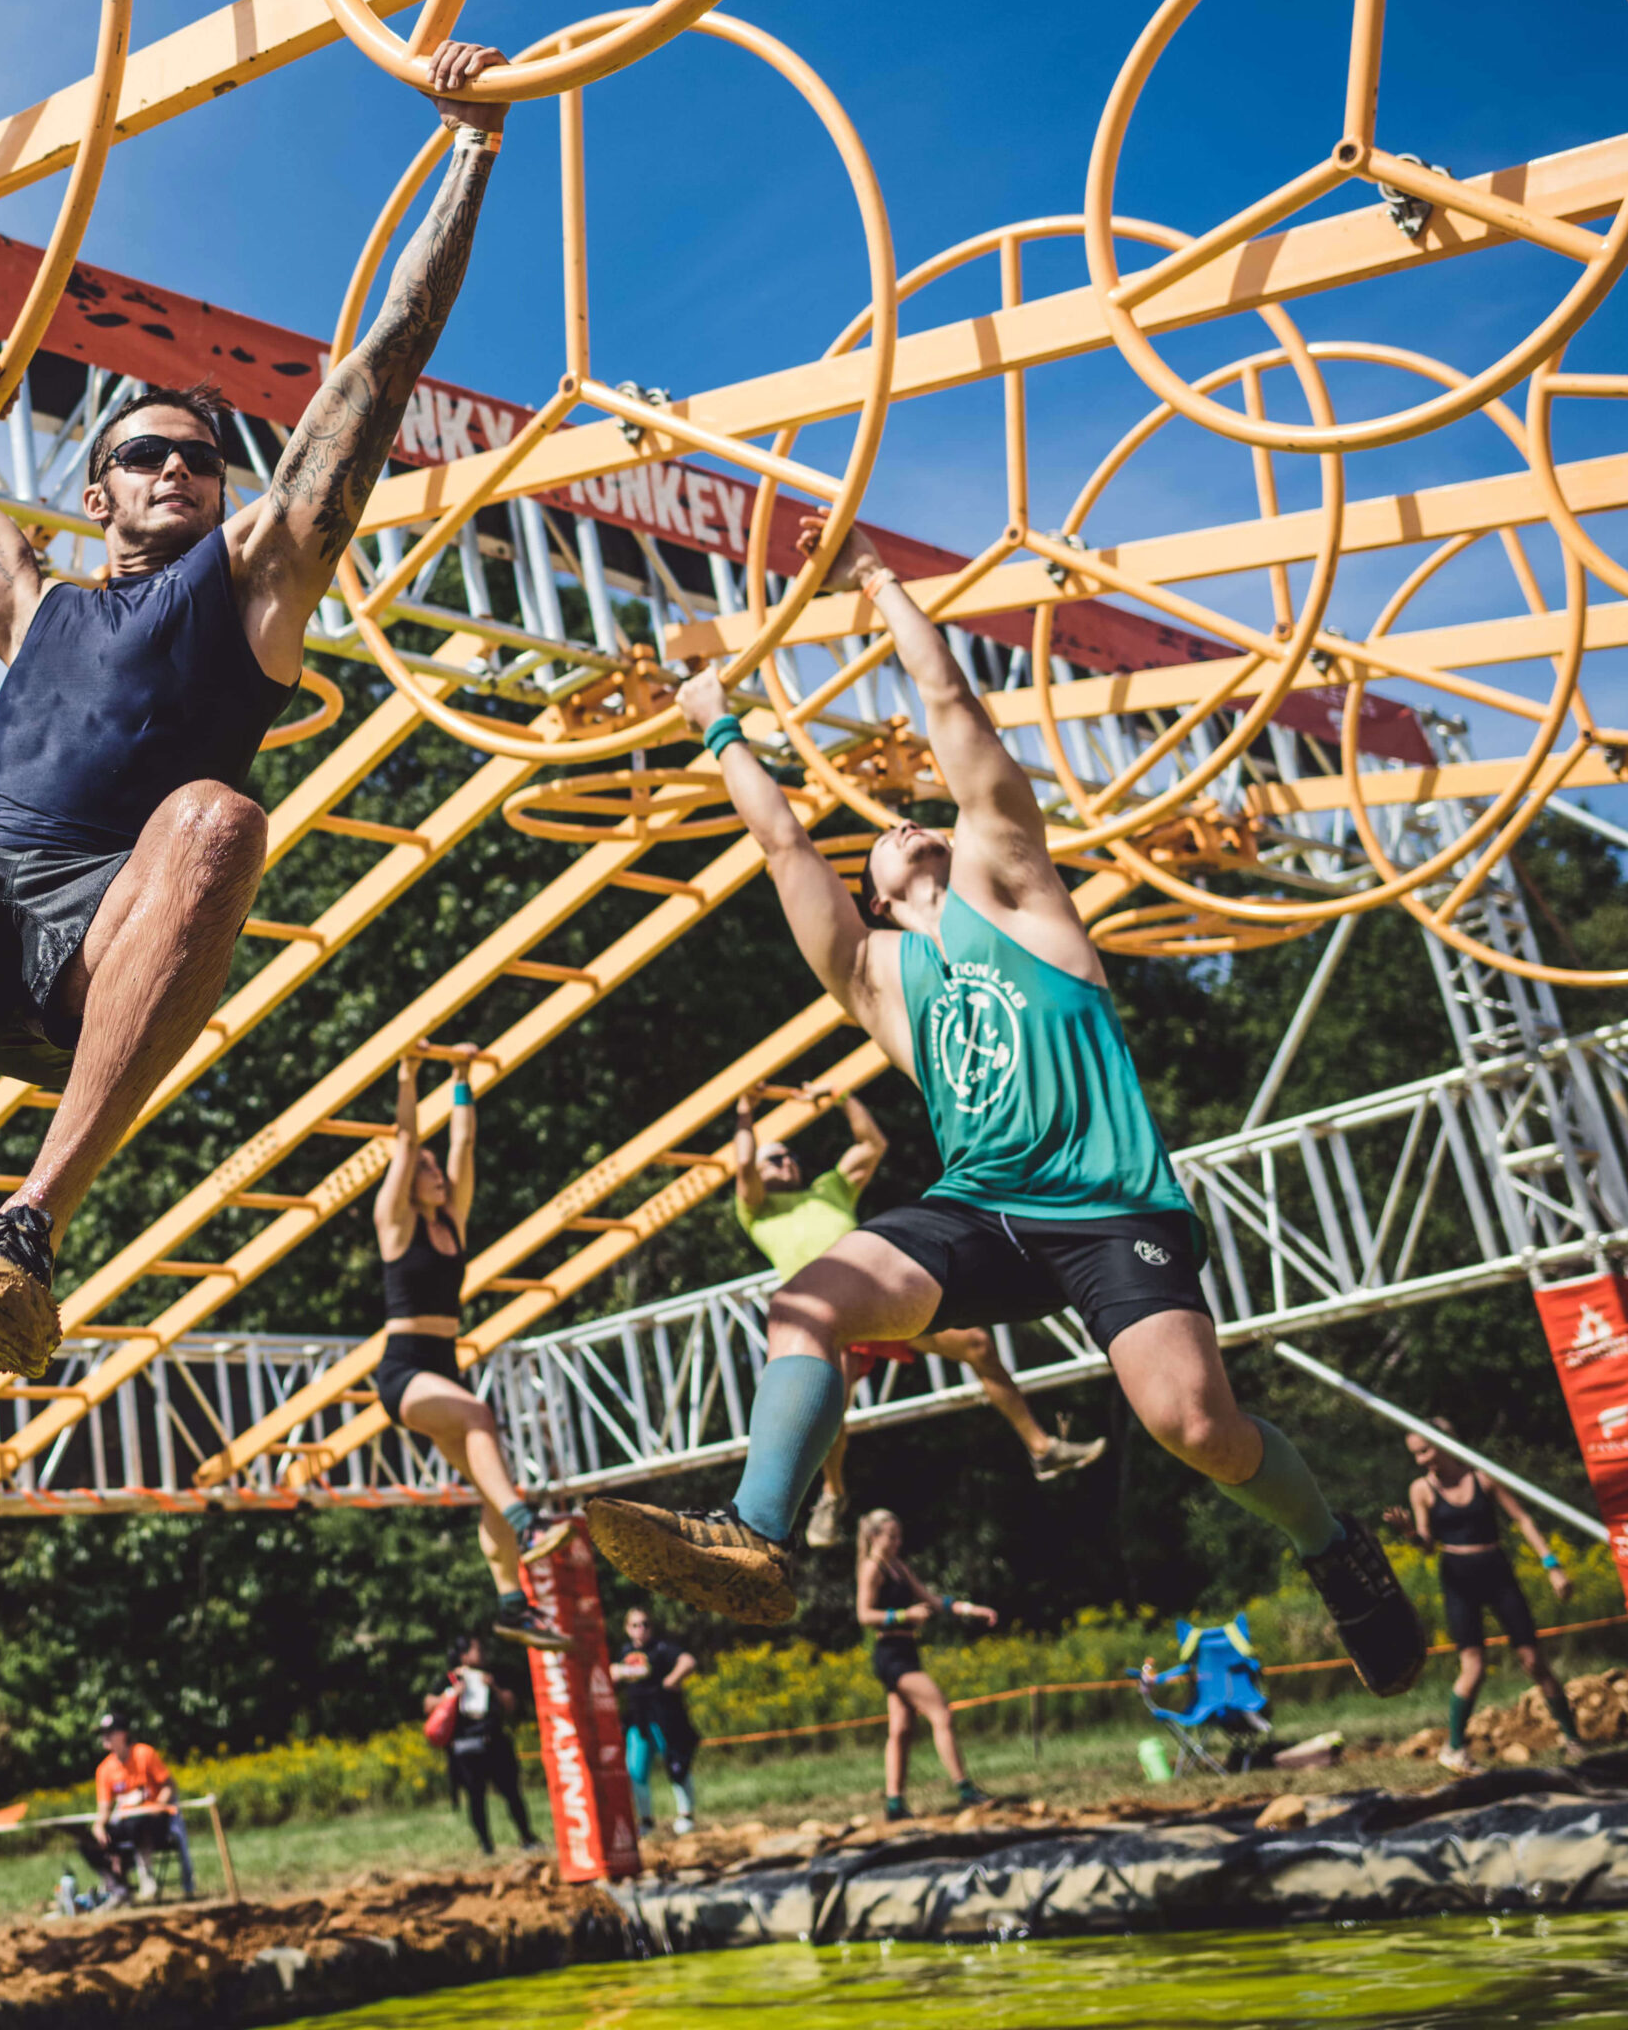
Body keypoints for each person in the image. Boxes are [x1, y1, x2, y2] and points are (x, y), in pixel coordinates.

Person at [0, 39, 515, 1379]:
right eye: (147, 452)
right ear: (98, 491)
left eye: (203, 456)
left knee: (217, 815)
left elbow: (372, 380)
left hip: (94, 945)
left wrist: (472, 150)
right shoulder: (35, 603)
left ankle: (26, 1235)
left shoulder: (249, 589)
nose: (181, 467)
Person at [587, 518, 1424, 1701]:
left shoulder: (1019, 896)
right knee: (805, 1302)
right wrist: (717, 721)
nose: (898, 823)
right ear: (873, 892)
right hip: (977, 1209)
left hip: (1104, 1205)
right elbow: (779, 843)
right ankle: (758, 1532)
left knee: (1196, 1428)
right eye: (875, 838)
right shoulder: (878, 979)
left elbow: (953, 714)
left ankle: (1335, 1545)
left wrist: (878, 581)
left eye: (911, 819)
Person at [730, 1087, 1104, 1547]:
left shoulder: (829, 1188)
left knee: (978, 1347)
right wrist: (746, 1113)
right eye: (775, 1159)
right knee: (828, 1396)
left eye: (789, 1155)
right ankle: (830, 1495)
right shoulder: (757, 1210)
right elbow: (744, 1165)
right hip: (833, 1314)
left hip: (881, 1295)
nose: (785, 1163)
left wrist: (841, 1096)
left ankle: (1042, 1448)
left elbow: (873, 1145)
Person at [375, 1052, 572, 1652]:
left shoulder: (452, 1221)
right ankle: (526, 1523)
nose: (436, 1172)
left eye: (437, 1169)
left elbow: (463, 1144)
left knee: (493, 1478)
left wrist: (462, 1081)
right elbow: (408, 1139)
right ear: (408, 1179)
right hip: (406, 1371)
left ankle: (514, 1605)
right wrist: (408, 1076)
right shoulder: (396, 1223)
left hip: (443, 1365)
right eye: (425, 1169)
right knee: (482, 1420)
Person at [1403, 1422, 1581, 1772]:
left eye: (1425, 1450)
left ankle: (1573, 1738)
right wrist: (1410, 1533)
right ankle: (1455, 1749)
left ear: (1443, 1443)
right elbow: (1426, 1546)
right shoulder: (1421, 1489)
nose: (1422, 1460)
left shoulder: (1484, 1477)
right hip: (1458, 1578)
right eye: (1416, 1454)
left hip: (1497, 1572)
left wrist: (1552, 1565)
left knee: (1533, 1661)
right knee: (1474, 1666)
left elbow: (1523, 1519)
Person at [856, 1508, 996, 1819]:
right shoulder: (872, 1569)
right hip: (891, 1653)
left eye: (899, 1536)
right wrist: (905, 1616)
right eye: (891, 1536)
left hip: (907, 1650)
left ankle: (894, 1804)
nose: (897, 1542)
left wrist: (972, 1610)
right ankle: (964, 1789)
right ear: (874, 1537)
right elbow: (864, 1615)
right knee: (940, 1712)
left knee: (902, 1729)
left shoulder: (898, 1567)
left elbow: (932, 1600)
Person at [427, 1636, 537, 1858]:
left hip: (494, 1742)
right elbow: (428, 1705)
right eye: (478, 1649)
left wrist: (493, 1687)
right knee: (475, 1797)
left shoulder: (492, 1674)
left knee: (512, 1793)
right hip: (466, 1748)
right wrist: (452, 1694)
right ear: (464, 1655)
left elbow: (511, 1704)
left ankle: (526, 1836)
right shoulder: (449, 1679)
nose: (484, 1653)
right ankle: (486, 1845)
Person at [80, 1713, 194, 1904]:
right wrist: (98, 1826)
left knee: (137, 1823)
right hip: (127, 1822)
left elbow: (168, 1785)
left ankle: (146, 1877)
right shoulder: (104, 1769)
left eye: (109, 1732)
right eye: (102, 1733)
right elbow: (105, 1809)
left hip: (155, 1820)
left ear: (123, 1734)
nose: (104, 1737)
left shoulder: (144, 1753)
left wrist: (159, 1804)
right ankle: (118, 1887)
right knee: (87, 1842)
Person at [608, 1607, 698, 1836]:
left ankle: (686, 1815)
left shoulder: (661, 1648)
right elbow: (610, 1673)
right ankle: (646, 1820)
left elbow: (688, 1660)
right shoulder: (625, 1651)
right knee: (636, 1771)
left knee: (676, 1765)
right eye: (636, 1625)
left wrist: (672, 1679)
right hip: (638, 1720)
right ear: (627, 1628)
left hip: (665, 1718)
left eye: (645, 1624)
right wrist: (616, 1672)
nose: (641, 1629)